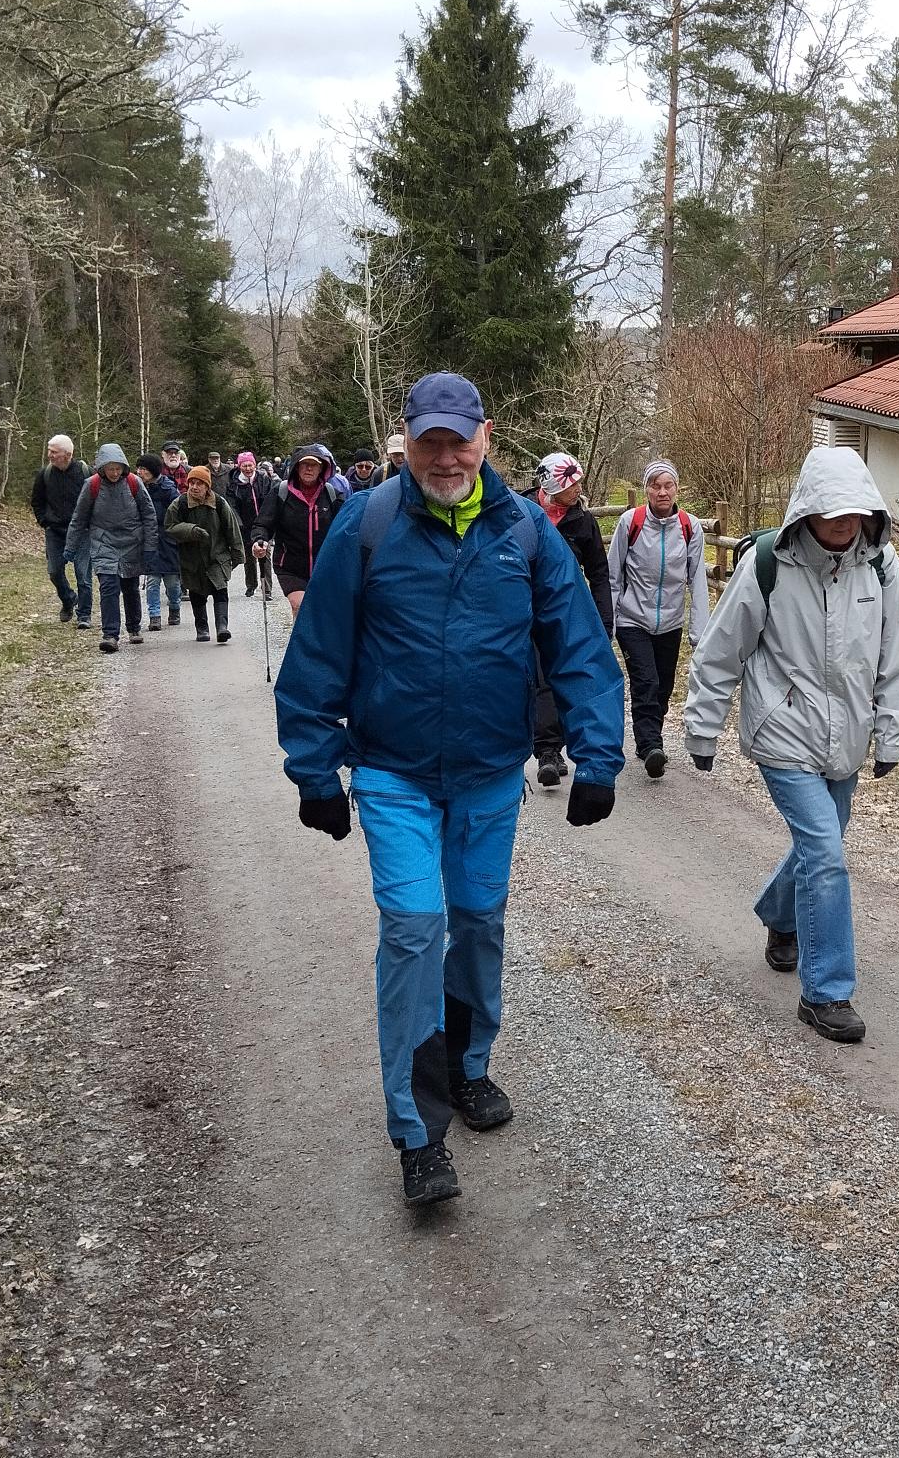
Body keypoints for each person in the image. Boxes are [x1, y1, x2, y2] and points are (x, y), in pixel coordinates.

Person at [273, 371, 626, 1208]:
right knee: (413, 927)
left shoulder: (524, 531)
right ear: (406, 442)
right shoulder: (369, 524)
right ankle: (418, 1130)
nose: (444, 457)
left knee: (476, 924)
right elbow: (318, 649)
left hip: (488, 775)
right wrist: (315, 769)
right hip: (392, 772)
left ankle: (468, 1066)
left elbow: (577, 644)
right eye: (428, 441)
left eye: (457, 441)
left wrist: (598, 756)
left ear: (484, 438)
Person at [683, 446, 899, 1044]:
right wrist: (703, 727)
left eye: (855, 511)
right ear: (807, 510)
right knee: (827, 853)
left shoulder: (882, 567)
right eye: (832, 512)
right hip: (783, 731)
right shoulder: (769, 564)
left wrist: (891, 732)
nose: (844, 523)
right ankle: (827, 991)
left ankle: (780, 915)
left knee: (821, 846)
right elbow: (722, 650)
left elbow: (896, 656)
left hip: (848, 737)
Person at [607, 459, 710, 777]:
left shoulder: (690, 527)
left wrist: (699, 633)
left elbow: (698, 581)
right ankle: (652, 744)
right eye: (655, 486)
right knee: (646, 682)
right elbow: (613, 576)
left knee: (663, 688)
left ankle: (647, 741)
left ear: (677, 489)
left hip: (670, 623)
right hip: (632, 620)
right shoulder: (630, 522)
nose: (662, 492)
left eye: (668, 486)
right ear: (646, 490)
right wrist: (608, 625)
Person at [520, 451, 614, 787]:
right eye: (571, 483)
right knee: (538, 678)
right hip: (523, 612)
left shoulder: (583, 521)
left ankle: (553, 747)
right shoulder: (521, 514)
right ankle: (546, 750)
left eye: (579, 482)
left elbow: (599, 573)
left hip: (566, 612)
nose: (578, 489)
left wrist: (604, 620)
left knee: (564, 676)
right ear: (552, 485)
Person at [64, 441, 158, 654]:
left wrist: (150, 547)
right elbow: (79, 518)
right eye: (110, 469)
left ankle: (134, 627)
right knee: (108, 587)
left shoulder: (134, 482)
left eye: (118, 468)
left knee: (130, 587)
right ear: (102, 468)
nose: (114, 473)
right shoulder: (92, 485)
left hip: (132, 542)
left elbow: (149, 515)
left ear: (123, 467)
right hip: (103, 542)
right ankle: (110, 635)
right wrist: (71, 546)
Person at [250, 442, 344, 616]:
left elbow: (345, 527)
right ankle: (301, 634)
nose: (309, 468)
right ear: (296, 467)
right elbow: (263, 524)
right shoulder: (281, 492)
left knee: (322, 611)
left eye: (314, 465)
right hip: (290, 565)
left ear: (322, 468)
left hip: (324, 565)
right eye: (304, 464)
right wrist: (259, 540)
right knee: (299, 606)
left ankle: (310, 634)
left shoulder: (331, 494)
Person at [165, 465, 245, 643]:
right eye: (192, 483)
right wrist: (191, 530)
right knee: (196, 593)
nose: (194, 487)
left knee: (220, 590)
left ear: (207, 486)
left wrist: (238, 554)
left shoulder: (219, 503)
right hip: (192, 558)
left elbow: (232, 529)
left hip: (217, 555)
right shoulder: (180, 504)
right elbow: (169, 527)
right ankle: (202, 628)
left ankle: (222, 627)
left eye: (199, 483)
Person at [30, 433, 91, 627]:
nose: (50, 455)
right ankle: (68, 599)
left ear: (68, 454)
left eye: (54, 452)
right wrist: (44, 521)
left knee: (83, 575)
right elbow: (37, 501)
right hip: (55, 531)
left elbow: (96, 499)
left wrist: (91, 523)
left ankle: (84, 615)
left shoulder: (86, 472)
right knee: (54, 571)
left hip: (81, 532)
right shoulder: (45, 474)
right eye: (49, 451)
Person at [135, 454, 183, 630]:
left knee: (172, 582)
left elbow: (179, 513)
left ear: (153, 471)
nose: (139, 472)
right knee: (152, 581)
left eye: (143, 469)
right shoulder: (138, 488)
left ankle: (175, 607)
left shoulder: (168, 489)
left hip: (169, 541)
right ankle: (154, 615)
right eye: (139, 468)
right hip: (149, 540)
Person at [224, 451, 276, 599]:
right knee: (249, 557)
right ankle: (251, 585)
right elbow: (232, 506)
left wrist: (269, 519)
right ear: (239, 466)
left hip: (264, 524)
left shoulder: (263, 479)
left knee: (265, 554)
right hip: (245, 525)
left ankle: (267, 589)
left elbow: (270, 499)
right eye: (244, 466)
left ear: (255, 465)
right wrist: (239, 524)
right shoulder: (234, 484)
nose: (248, 469)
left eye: (250, 465)